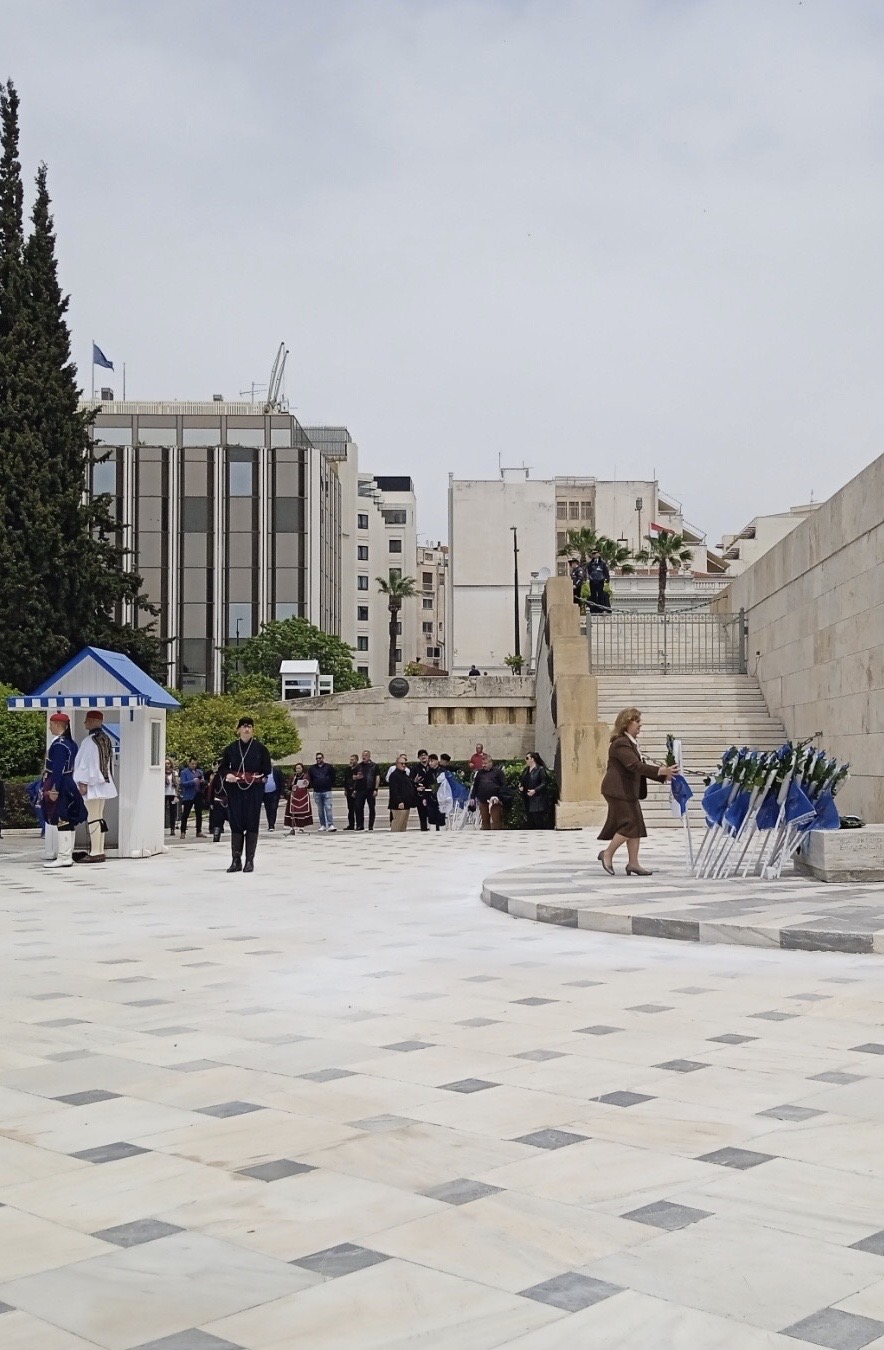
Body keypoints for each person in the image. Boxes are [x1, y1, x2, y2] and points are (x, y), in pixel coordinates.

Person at [598, 707, 677, 876]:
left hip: (627, 791)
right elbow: (634, 766)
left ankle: (633, 863)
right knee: (629, 824)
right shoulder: (621, 743)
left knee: (637, 826)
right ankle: (607, 853)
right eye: (637, 721)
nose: (640, 725)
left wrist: (664, 776)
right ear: (627, 723)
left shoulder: (630, 743)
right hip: (618, 790)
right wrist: (661, 771)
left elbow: (639, 768)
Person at [218, 717, 272, 873]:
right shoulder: (231, 748)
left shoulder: (261, 748)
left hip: (253, 789)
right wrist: (228, 774)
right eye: (244, 726)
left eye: (249, 726)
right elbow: (223, 768)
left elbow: (267, 769)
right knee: (236, 823)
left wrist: (260, 776)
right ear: (238, 730)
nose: (246, 729)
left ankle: (249, 860)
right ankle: (236, 860)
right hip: (235, 789)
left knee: (252, 823)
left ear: (253, 729)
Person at [42, 712, 88, 869]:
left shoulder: (59, 745)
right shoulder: (70, 743)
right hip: (68, 782)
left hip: (61, 783)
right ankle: (66, 855)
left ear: (57, 725)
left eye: (51, 724)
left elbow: (58, 769)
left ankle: (64, 856)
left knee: (62, 818)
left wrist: (54, 788)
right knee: (68, 819)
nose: (50, 728)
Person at [72, 710, 118, 863]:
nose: (85, 723)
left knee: (93, 817)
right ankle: (99, 849)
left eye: (87, 720)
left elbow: (85, 764)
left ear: (93, 721)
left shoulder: (90, 741)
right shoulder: (106, 738)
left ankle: (96, 852)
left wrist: (82, 782)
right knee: (98, 816)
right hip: (103, 783)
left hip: (92, 784)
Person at [472, 754, 508, 830]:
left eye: (485, 763)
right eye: (482, 763)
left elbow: (503, 785)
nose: (483, 765)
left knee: (496, 819)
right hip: (483, 799)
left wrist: (498, 797)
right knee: (484, 820)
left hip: (495, 800)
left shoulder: (498, 772)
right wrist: (472, 797)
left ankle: (497, 834)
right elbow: (475, 786)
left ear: (490, 763)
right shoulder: (480, 773)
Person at [520, 751, 553, 830]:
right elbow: (524, 781)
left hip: (537, 798)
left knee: (538, 819)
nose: (526, 760)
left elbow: (544, 783)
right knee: (530, 820)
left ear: (532, 759)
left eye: (527, 758)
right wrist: (522, 787)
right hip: (528, 798)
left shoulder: (540, 769)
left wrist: (535, 790)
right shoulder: (526, 770)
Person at [412, 749, 442, 832]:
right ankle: (424, 830)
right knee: (422, 816)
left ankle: (436, 830)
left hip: (432, 796)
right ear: (418, 757)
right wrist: (415, 783)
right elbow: (411, 781)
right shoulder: (415, 768)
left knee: (434, 815)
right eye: (421, 755)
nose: (423, 756)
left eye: (424, 755)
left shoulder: (432, 768)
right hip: (420, 795)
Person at [388, 753, 418, 832]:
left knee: (403, 827)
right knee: (397, 826)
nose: (404, 765)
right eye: (402, 763)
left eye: (405, 764)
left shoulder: (404, 775)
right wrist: (399, 801)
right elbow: (394, 790)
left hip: (406, 804)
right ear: (397, 764)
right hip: (399, 805)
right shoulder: (394, 775)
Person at [178, 757, 206, 839]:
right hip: (189, 795)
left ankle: (199, 831)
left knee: (199, 813)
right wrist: (193, 781)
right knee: (186, 814)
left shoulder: (199, 772)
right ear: (189, 763)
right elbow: (183, 783)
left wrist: (202, 782)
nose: (194, 765)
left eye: (195, 764)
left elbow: (203, 782)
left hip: (198, 794)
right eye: (192, 764)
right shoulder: (184, 772)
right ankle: (183, 831)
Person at [353, 750, 380, 831]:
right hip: (360, 790)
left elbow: (377, 777)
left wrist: (376, 789)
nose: (364, 757)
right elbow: (353, 777)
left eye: (366, 755)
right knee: (358, 807)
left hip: (370, 789)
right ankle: (359, 825)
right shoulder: (358, 766)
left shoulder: (374, 766)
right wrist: (357, 777)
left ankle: (370, 825)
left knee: (371, 808)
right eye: (363, 755)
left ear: (369, 756)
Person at [308, 752, 336, 832]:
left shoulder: (328, 767)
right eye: (317, 758)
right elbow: (310, 778)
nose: (318, 760)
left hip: (327, 790)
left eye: (320, 758)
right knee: (320, 809)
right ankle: (323, 825)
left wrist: (329, 783)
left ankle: (330, 824)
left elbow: (333, 777)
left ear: (323, 758)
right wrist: (313, 785)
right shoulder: (312, 768)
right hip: (317, 791)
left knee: (328, 808)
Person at [284, 763, 313, 833]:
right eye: (297, 768)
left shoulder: (306, 776)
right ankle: (292, 826)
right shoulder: (293, 776)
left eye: (299, 768)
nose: (298, 770)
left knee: (302, 812)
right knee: (293, 811)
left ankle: (301, 827)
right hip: (294, 796)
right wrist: (292, 787)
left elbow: (309, 786)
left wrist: (307, 783)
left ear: (302, 769)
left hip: (303, 796)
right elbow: (289, 786)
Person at [206, 761, 228, 842]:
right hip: (223, 800)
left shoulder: (217, 776)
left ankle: (216, 837)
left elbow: (211, 790)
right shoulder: (220, 776)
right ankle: (217, 836)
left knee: (217, 821)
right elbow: (211, 790)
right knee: (221, 820)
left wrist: (211, 802)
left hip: (219, 800)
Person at [263, 764, 284, 831]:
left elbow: (281, 781)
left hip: (275, 792)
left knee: (273, 808)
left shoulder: (276, 771)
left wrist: (282, 793)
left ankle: (272, 825)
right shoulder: (262, 771)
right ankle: (269, 823)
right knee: (268, 809)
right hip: (265, 793)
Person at [343, 754, 360, 830]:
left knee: (357, 808)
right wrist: (346, 789)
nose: (351, 761)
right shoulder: (348, 769)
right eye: (350, 760)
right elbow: (346, 780)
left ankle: (359, 824)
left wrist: (355, 790)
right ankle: (351, 825)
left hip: (356, 791)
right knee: (350, 809)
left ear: (356, 760)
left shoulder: (359, 769)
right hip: (349, 791)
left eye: (352, 760)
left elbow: (359, 781)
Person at [164, 759, 179, 836]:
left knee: (172, 812)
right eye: (165, 763)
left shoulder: (174, 773)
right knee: (163, 811)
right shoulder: (162, 773)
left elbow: (177, 784)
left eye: (168, 763)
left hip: (172, 793)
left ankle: (172, 828)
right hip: (164, 794)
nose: (167, 765)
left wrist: (176, 794)